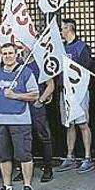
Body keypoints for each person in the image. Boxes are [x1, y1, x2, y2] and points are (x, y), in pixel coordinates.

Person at [0, 43, 39, 190]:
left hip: (20, 120)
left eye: (10, 53)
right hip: (0, 120)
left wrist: (15, 95)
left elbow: (35, 95)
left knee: (24, 155)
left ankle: (27, 187)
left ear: (16, 54)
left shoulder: (26, 72)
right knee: (3, 155)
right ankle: (7, 187)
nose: (7, 56)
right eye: (4, 53)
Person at [55, 19, 95, 174]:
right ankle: (70, 156)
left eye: (63, 28)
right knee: (69, 124)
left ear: (69, 29)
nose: (61, 31)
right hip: (64, 91)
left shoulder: (82, 47)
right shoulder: (61, 48)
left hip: (79, 91)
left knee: (83, 123)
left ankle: (87, 157)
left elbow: (86, 68)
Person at [27, 54, 56, 182]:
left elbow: (50, 85)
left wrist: (41, 100)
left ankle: (48, 168)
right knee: (25, 138)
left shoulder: (41, 62)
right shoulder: (18, 62)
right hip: (21, 106)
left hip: (36, 106)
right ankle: (26, 168)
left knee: (44, 136)